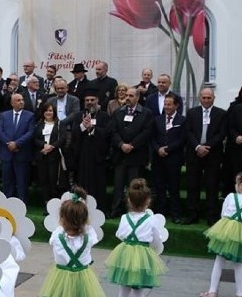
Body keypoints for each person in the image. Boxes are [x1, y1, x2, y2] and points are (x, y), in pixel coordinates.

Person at [106, 178, 168, 297]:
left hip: (126, 253)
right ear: (148, 201)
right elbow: (156, 239)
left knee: (124, 287)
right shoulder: (151, 219)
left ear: (129, 200)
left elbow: (120, 234)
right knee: (139, 290)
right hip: (142, 255)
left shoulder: (124, 218)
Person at [200, 172, 242, 297]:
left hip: (224, 230)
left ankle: (212, 291)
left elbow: (223, 214)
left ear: (241, 186)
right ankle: (239, 294)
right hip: (240, 235)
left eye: (236, 183)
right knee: (238, 264)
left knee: (219, 261)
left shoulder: (230, 197)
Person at [184, 88, 227, 225]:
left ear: (214, 98)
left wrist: (207, 146)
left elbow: (221, 134)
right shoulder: (192, 112)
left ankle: (211, 216)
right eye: (204, 98)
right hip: (194, 153)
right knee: (192, 185)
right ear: (200, 98)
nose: (206, 100)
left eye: (209, 98)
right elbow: (188, 131)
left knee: (212, 186)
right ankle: (192, 214)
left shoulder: (221, 113)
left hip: (212, 154)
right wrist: (198, 146)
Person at [110, 87, 153, 216]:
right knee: (118, 185)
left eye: (131, 95)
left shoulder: (146, 113)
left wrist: (132, 145)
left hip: (136, 155)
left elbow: (147, 132)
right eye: (126, 95)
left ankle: (134, 210)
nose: (128, 97)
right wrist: (121, 144)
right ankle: (116, 209)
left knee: (134, 187)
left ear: (138, 97)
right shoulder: (118, 112)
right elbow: (113, 131)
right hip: (120, 155)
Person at [68, 87, 110, 207]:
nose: (90, 102)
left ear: (97, 100)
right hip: (82, 157)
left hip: (98, 157)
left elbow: (107, 133)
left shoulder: (104, 116)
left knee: (98, 184)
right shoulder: (78, 116)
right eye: (87, 100)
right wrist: (82, 126)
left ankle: (99, 208)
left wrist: (93, 129)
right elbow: (74, 133)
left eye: (92, 100)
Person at [150, 93, 186, 221]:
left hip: (174, 159)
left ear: (176, 105)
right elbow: (152, 137)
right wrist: (158, 149)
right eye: (165, 104)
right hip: (158, 159)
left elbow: (182, 139)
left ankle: (175, 214)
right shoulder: (157, 120)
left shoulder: (182, 120)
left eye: (169, 104)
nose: (167, 107)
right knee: (159, 187)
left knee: (174, 188)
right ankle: (160, 213)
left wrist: (168, 149)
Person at [0, 93, 36, 201]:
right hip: (7, 153)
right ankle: (7, 203)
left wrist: (17, 143)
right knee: (7, 181)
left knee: (22, 181)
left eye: (22, 100)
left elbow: (30, 132)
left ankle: (22, 203)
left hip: (22, 154)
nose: (21, 102)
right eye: (18, 100)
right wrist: (9, 143)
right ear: (12, 103)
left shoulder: (30, 115)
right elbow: (0, 132)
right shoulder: (4, 115)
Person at [34, 103, 68, 206]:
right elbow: (35, 139)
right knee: (44, 180)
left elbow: (63, 138)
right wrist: (44, 145)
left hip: (54, 156)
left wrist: (52, 146)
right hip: (42, 156)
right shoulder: (39, 124)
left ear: (54, 112)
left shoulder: (59, 124)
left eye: (50, 110)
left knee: (53, 179)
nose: (48, 113)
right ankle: (47, 202)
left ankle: (55, 203)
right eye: (46, 110)